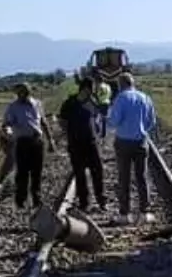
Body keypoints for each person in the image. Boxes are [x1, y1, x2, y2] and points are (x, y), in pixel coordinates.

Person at [107, 71, 157, 223]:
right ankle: (144, 213)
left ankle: (125, 214)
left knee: (124, 178)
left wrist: (109, 123)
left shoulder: (120, 99)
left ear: (121, 85)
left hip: (123, 142)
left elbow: (114, 122)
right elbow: (151, 121)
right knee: (142, 176)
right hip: (141, 142)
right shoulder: (145, 97)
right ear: (133, 83)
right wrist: (141, 130)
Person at [1, 82, 54, 210]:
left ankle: (37, 199)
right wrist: (8, 131)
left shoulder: (37, 104)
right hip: (22, 142)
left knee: (37, 172)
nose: (20, 95)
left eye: (23, 92)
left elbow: (43, 122)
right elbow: (6, 124)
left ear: (29, 92)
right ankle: (20, 201)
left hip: (37, 141)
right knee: (22, 173)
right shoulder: (12, 107)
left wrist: (50, 140)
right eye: (18, 92)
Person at [58, 76, 106, 214]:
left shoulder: (93, 101)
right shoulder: (69, 103)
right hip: (76, 144)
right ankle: (84, 202)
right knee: (80, 174)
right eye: (92, 89)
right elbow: (62, 120)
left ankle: (101, 201)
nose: (94, 91)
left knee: (97, 172)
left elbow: (99, 117)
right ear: (86, 89)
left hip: (91, 142)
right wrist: (69, 132)